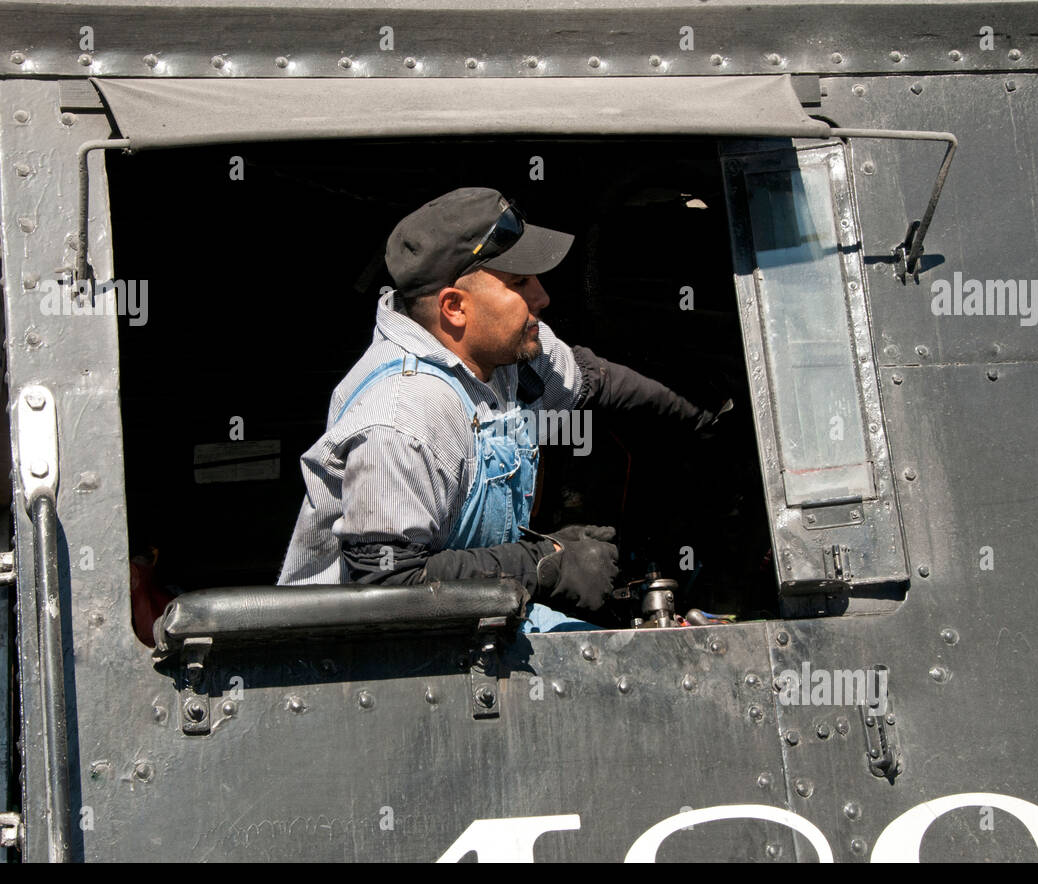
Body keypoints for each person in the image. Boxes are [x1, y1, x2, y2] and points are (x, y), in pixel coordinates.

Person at [277, 187, 726, 633]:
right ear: (455, 307)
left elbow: (592, 379)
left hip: (476, 619)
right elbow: (387, 586)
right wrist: (543, 565)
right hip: (380, 651)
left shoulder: (500, 350)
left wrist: (710, 417)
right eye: (519, 283)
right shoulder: (402, 419)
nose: (543, 298)